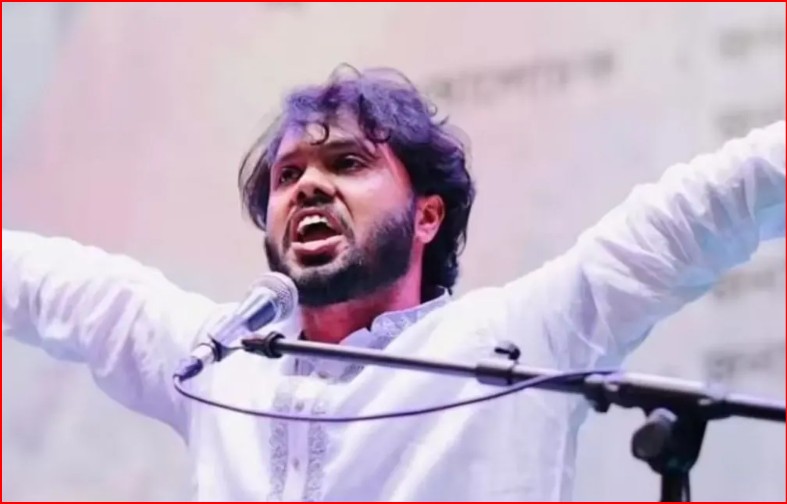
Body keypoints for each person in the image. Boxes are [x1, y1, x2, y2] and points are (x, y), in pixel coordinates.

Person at [3, 67, 784, 502]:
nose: (308, 185)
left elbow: (713, 202)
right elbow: (43, 283)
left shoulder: (522, 336)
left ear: (426, 216)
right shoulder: (218, 360)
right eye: (286, 176)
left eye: (347, 163)